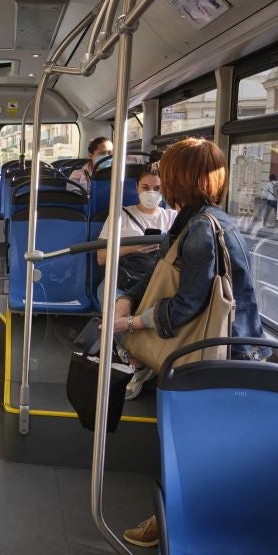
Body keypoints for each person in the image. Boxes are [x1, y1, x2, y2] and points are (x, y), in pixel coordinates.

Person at [114, 138, 270, 548]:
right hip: (229, 345)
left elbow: (184, 305)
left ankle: (177, 526)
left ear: (176, 178)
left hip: (221, 353)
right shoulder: (196, 220)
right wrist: (128, 296)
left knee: (194, 443)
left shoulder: (201, 230)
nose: (157, 184)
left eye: (163, 175)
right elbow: (167, 268)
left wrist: (132, 323)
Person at [96, 164, 177, 400]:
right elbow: (101, 257)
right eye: (146, 187)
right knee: (115, 309)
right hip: (122, 280)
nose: (151, 193)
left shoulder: (173, 218)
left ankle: (145, 360)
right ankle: (137, 362)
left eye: (157, 188)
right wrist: (133, 247)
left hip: (159, 282)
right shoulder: (120, 215)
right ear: (136, 188)